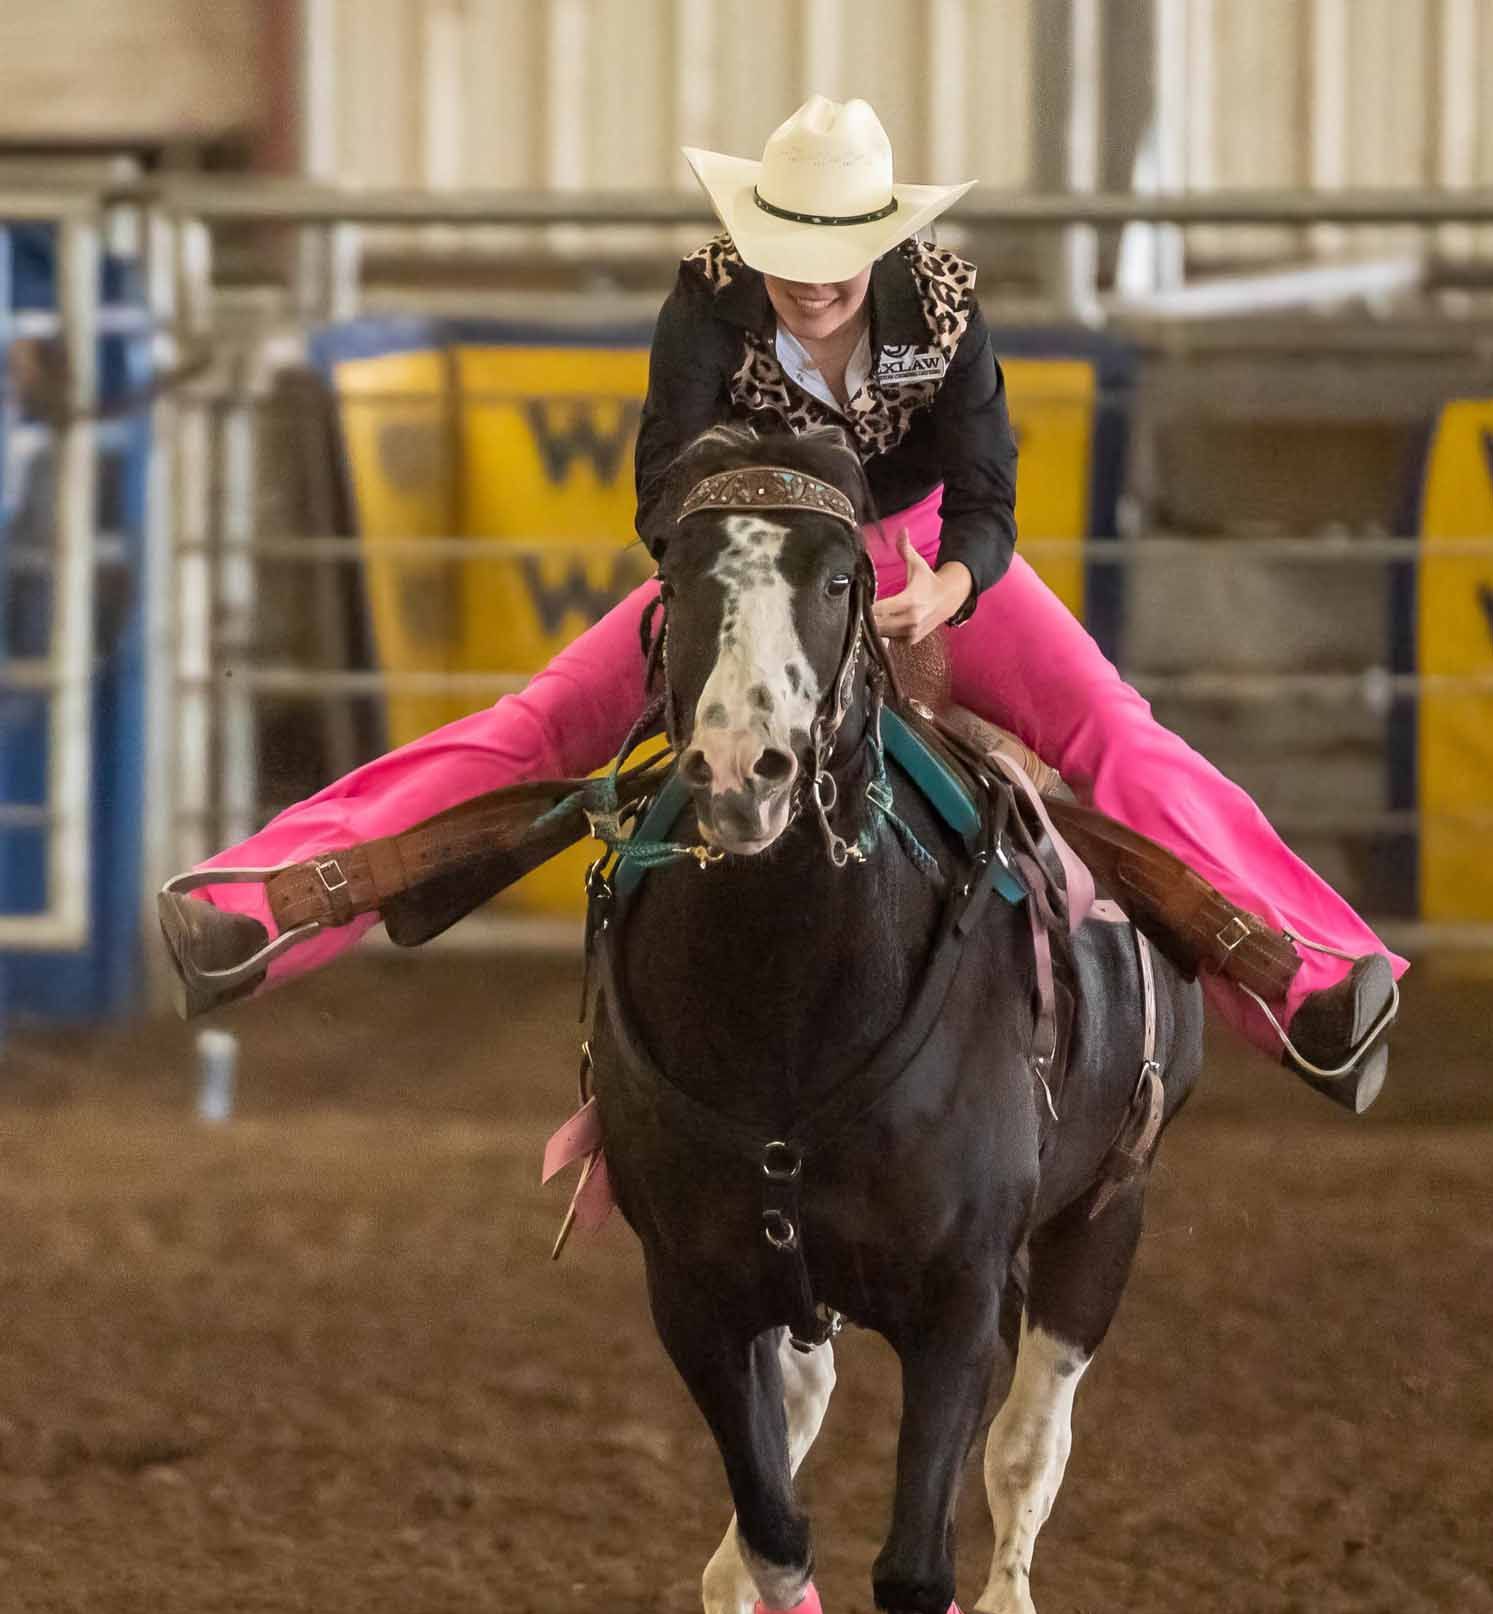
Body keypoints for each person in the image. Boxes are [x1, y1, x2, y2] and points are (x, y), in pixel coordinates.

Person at [180, 96, 1405, 1110]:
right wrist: (732, 565)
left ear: (876, 242)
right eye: (788, 251)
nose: (809, 282)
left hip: (923, 563)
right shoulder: (708, 296)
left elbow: (985, 490)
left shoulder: (945, 302)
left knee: (1112, 733)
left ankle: (1306, 973)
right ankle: (263, 904)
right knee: (543, 720)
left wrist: (952, 585)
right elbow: (665, 484)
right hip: (749, 555)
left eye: (833, 256)